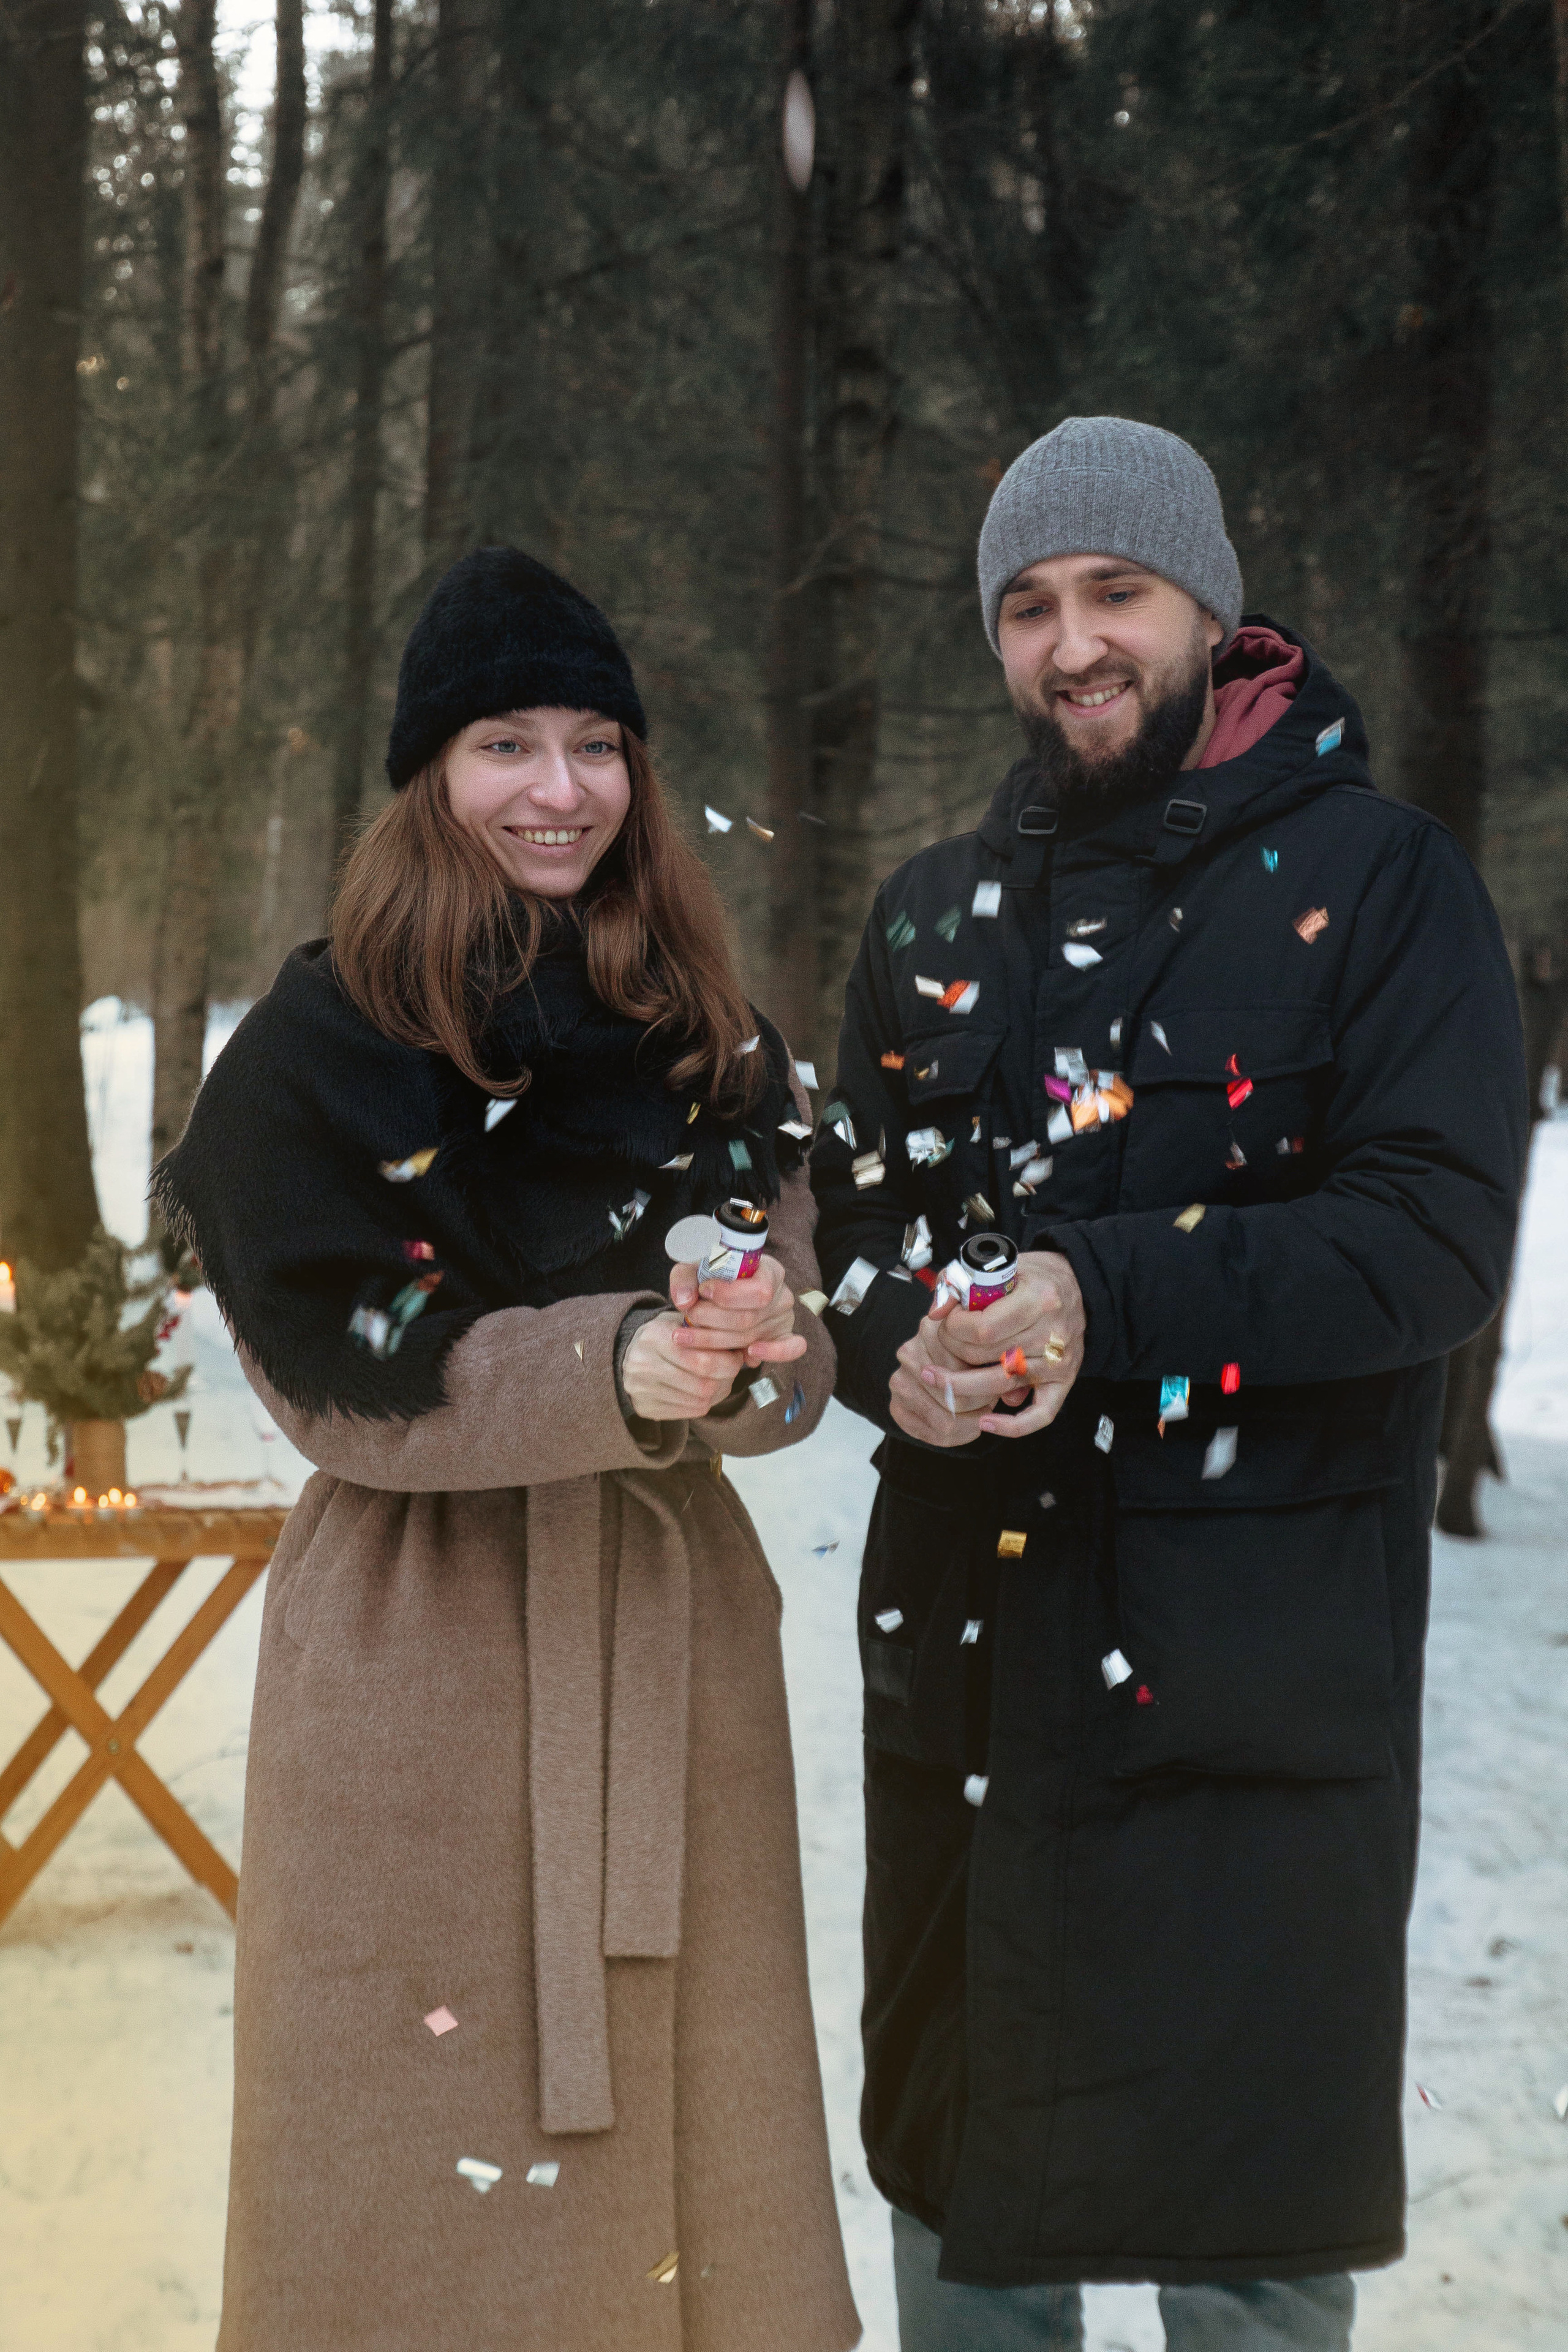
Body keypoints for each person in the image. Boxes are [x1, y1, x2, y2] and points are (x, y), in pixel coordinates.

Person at [810, 418, 1527, 2350]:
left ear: (1212, 603)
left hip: (1250, 1697)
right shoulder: (932, 915)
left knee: (1249, 2253)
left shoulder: (1385, 889)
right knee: (963, 2217)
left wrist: (1097, 1295)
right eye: (1030, 608)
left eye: (1115, 594)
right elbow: (860, 1235)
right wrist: (907, 1361)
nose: (1073, 646)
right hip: (974, 1677)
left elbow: (1436, 1243)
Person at [154, 548, 861, 2352]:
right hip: (422, 1676)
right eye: (505, 745)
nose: (560, 790)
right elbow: (336, 1387)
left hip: (666, 1656)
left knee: (685, 2203)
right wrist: (618, 1364)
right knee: (418, 2208)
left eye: (595, 744)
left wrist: (758, 1356)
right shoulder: (317, 1058)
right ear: (429, 777)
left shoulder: (709, 1037)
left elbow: (797, 1338)